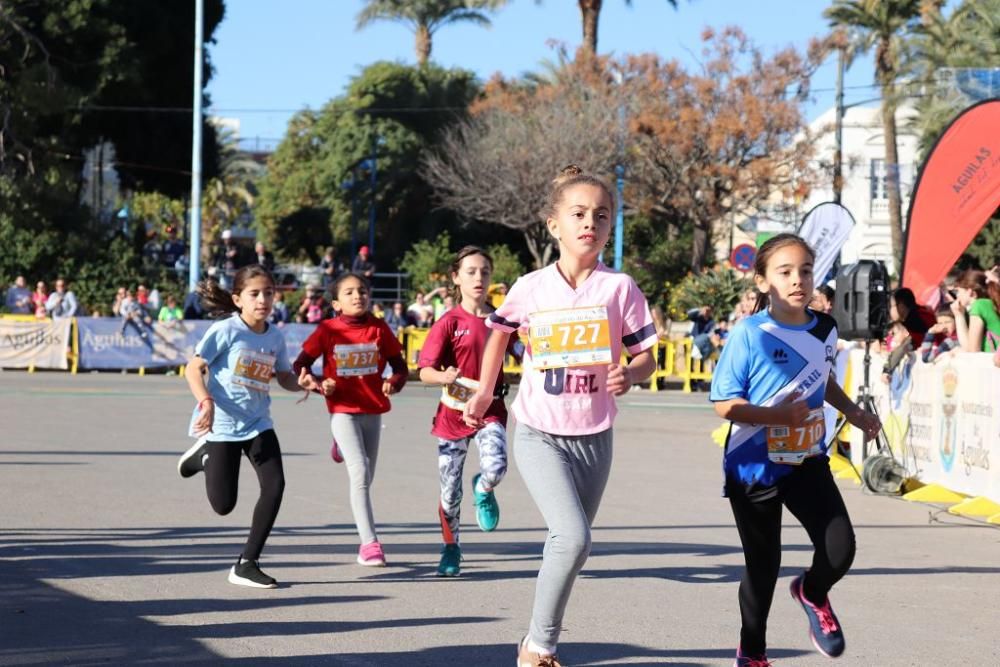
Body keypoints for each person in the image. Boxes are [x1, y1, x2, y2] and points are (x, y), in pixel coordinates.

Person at [463, 165, 657, 666]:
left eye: (601, 215)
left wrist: (629, 375)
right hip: (536, 429)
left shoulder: (620, 288)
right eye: (578, 214)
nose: (590, 222)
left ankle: (533, 640)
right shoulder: (530, 287)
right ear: (554, 226)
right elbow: (499, 334)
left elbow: (646, 357)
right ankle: (540, 648)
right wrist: (486, 391)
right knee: (573, 536)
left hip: (594, 434)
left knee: (571, 545)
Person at [709, 233, 881, 666]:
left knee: (840, 549)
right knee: (763, 567)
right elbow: (724, 405)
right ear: (764, 280)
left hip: (807, 459)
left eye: (805, 270)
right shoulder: (748, 333)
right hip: (754, 465)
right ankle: (753, 651)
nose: (797, 280)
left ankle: (812, 590)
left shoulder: (825, 327)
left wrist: (855, 413)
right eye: (784, 272)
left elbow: (820, 378)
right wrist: (776, 419)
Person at [176, 264, 303, 588]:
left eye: (269, 293)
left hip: (259, 422)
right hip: (223, 423)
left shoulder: (275, 336)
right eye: (255, 293)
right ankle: (205, 456)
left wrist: (304, 383)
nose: (263, 299)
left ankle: (247, 563)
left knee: (275, 485)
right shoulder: (226, 330)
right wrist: (206, 402)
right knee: (223, 505)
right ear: (238, 299)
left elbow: (285, 376)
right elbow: (193, 369)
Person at [294, 273, 408, 567]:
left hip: (372, 409)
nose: (357, 296)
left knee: (367, 476)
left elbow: (400, 367)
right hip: (342, 409)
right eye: (349, 292)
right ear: (336, 303)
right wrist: (318, 383)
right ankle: (369, 544)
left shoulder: (379, 328)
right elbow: (301, 364)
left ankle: (342, 447)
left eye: (362, 291)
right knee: (359, 472)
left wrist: (393, 382)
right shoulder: (327, 329)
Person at [418, 246, 519, 577]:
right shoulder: (448, 323)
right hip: (452, 415)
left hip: (491, 409)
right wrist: (442, 376)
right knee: (449, 489)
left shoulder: (502, 321)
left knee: (497, 467)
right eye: (471, 271)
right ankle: (451, 548)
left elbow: (526, 354)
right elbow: (424, 371)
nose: (479, 277)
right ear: (456, 278)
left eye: (485, 272)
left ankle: (485, 488)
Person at [950, 269, 1000, 352]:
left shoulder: (979, 305)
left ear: (970, 292)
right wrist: (959, 314)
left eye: (957, 291)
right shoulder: (990, 302)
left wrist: (958, 316)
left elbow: (972, 350)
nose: (957, 295)